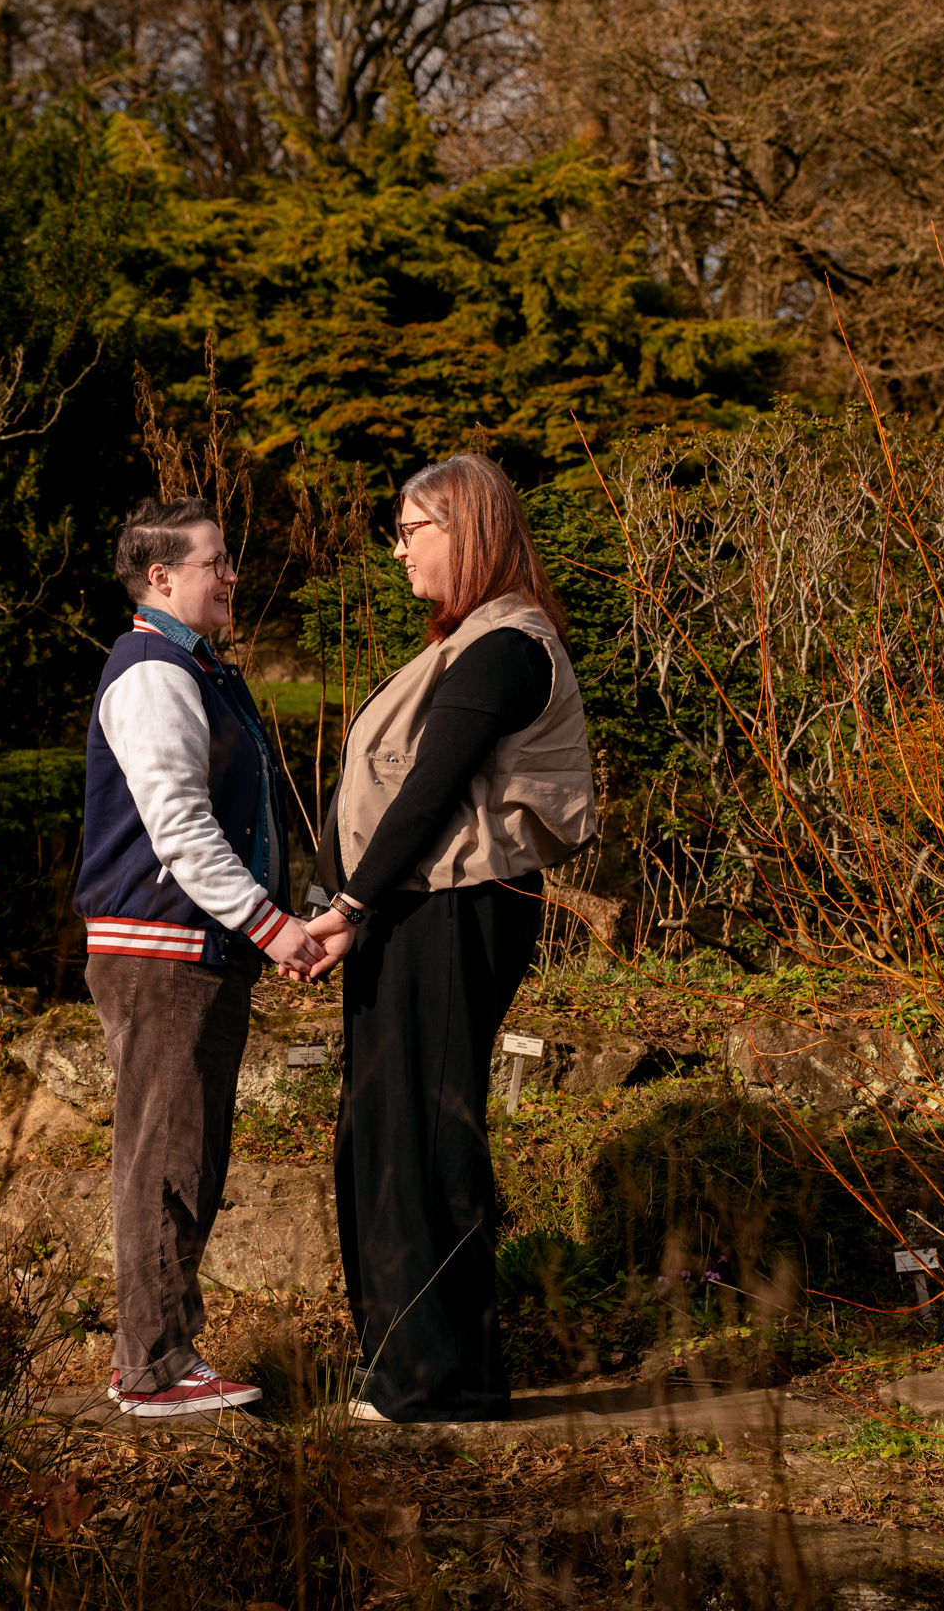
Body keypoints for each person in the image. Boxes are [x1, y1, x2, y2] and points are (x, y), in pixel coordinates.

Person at [302, 454, 597, 1423]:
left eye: (409, 529)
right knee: (384, 1131)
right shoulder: (473, 640)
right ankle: (410, 1362)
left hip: (453, 907)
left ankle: (439, 1376)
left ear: (465, 529)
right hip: (419, 907)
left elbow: (431, 790)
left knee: (423, 1135)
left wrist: (347, 905)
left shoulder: (507, 647)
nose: (396, 549)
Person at [74, 496, 325, 1418]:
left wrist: (283, 913)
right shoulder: (151, 675)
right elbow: (179, 829)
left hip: (194, 944)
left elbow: (235, 820)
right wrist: (274, 928)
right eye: (213, 561)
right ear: (160, 577)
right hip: (161, 948)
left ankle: (165, 1354)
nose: (229, 576)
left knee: (190, 1151)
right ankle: (150, 1368)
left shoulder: (196, 668)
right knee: (165, 1155)